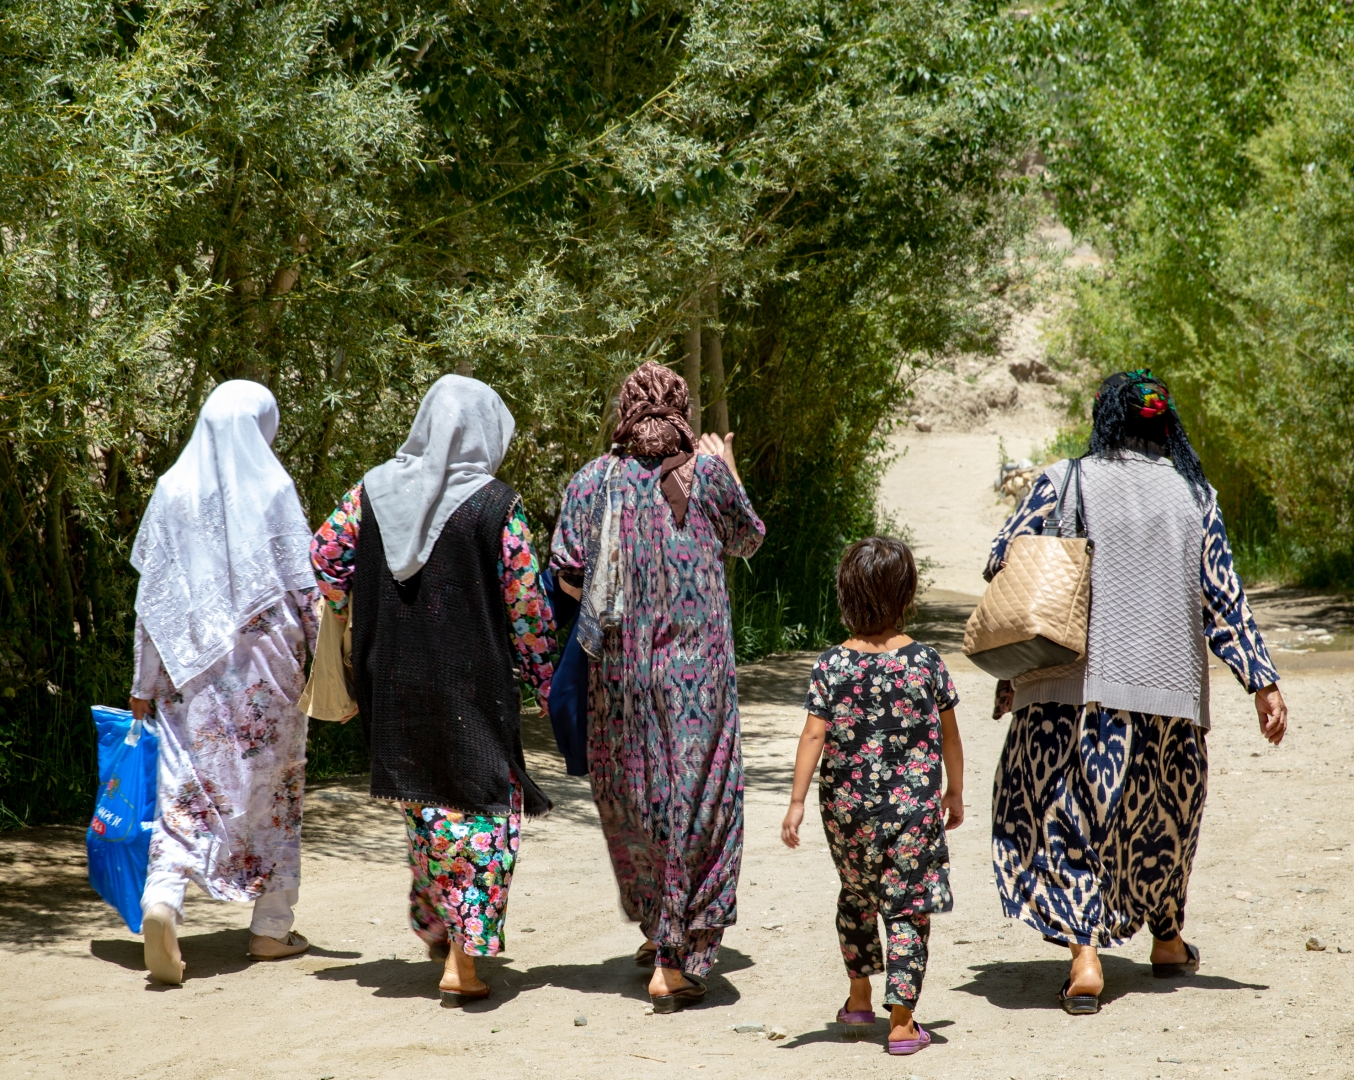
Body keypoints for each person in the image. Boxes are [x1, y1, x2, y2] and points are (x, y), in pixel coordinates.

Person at [986, 369, 1288, 1014]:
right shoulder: (1194, 494)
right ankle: (1168, 941)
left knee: (1063, 820)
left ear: (1105, 419)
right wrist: (1260, 680)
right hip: (1169, 695)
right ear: (1163, 424)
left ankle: (1086, 958)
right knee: (1161, 823)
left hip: (1069, 694)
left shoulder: (1064, 480)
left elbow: (1002, 562)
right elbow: (1223, 599)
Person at [309, 373, 554, 1005]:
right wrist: (546, 679)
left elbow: (325, 557)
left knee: (425, 801)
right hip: (470, 680)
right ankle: (464, 963)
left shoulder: (372, 491)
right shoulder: (496, 505)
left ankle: (439, 924)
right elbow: (526, 604)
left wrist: (357, 606)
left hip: (389, 675)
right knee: (483, 813)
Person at [550, 360, 765, 1011]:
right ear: (682, 412)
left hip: (620, 681)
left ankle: (658, 930)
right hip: (697, 679)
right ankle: (674, 959)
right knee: (702, 806)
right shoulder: (705, 477)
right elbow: (749, 539)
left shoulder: (592, 482)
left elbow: (564, 572)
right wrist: (726, 467)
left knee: (643, 804)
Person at [130, 380, 320, 985]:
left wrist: (143, 681)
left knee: (184, 785)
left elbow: (151, 600)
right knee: (273, 793)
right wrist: (331, 663)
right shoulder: (274, 487)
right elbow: (304, 586)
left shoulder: (170, 490)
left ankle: (162, 898)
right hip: (270, 668)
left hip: (189, 667)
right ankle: (270, 929)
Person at [782, 537, 964, 1057]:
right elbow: (950, 734)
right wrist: (955, 792)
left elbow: (813, 736)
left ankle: (860, 996)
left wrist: (796, 802)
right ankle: (903, 1024)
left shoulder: (832, 665)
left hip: (847, 811)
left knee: (857, 893)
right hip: (912, 811)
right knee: (906, 908)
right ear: (906, 595)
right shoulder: (926, 662)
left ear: (845, 595)